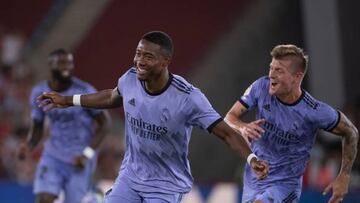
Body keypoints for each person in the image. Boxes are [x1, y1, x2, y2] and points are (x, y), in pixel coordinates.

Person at [36, 31, 269, 203]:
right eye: (138, 54)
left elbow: (226, 133)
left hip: (166, 185)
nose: (139, 61)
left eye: (148, 56)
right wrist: (68, 100)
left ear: (165, 61)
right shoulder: (129, 79)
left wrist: (251, 159)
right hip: (131, 176)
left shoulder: (188, 98)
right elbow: (111, 97)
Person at [225, 44, 359, 203]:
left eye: (279, 70)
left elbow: (351, 131)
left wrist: (344, 175)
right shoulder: (260, 87)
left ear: (297, 77)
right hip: (254, 178)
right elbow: (230, 117)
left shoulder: (313, 111)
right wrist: (243, 127)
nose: (272, 75)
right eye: (271, 68)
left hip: (284, 185)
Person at [17, 49, 110, 203]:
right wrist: (29, 145)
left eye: (69, 62)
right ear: (50, 65)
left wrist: (87, 154)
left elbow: (105, 124)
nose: (66, 66)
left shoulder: (84, 91)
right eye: (61, 63)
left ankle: (94, 199)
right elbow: (38, 127)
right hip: (53, 155)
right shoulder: (39, 92)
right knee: (43, 198)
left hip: (78, 158)